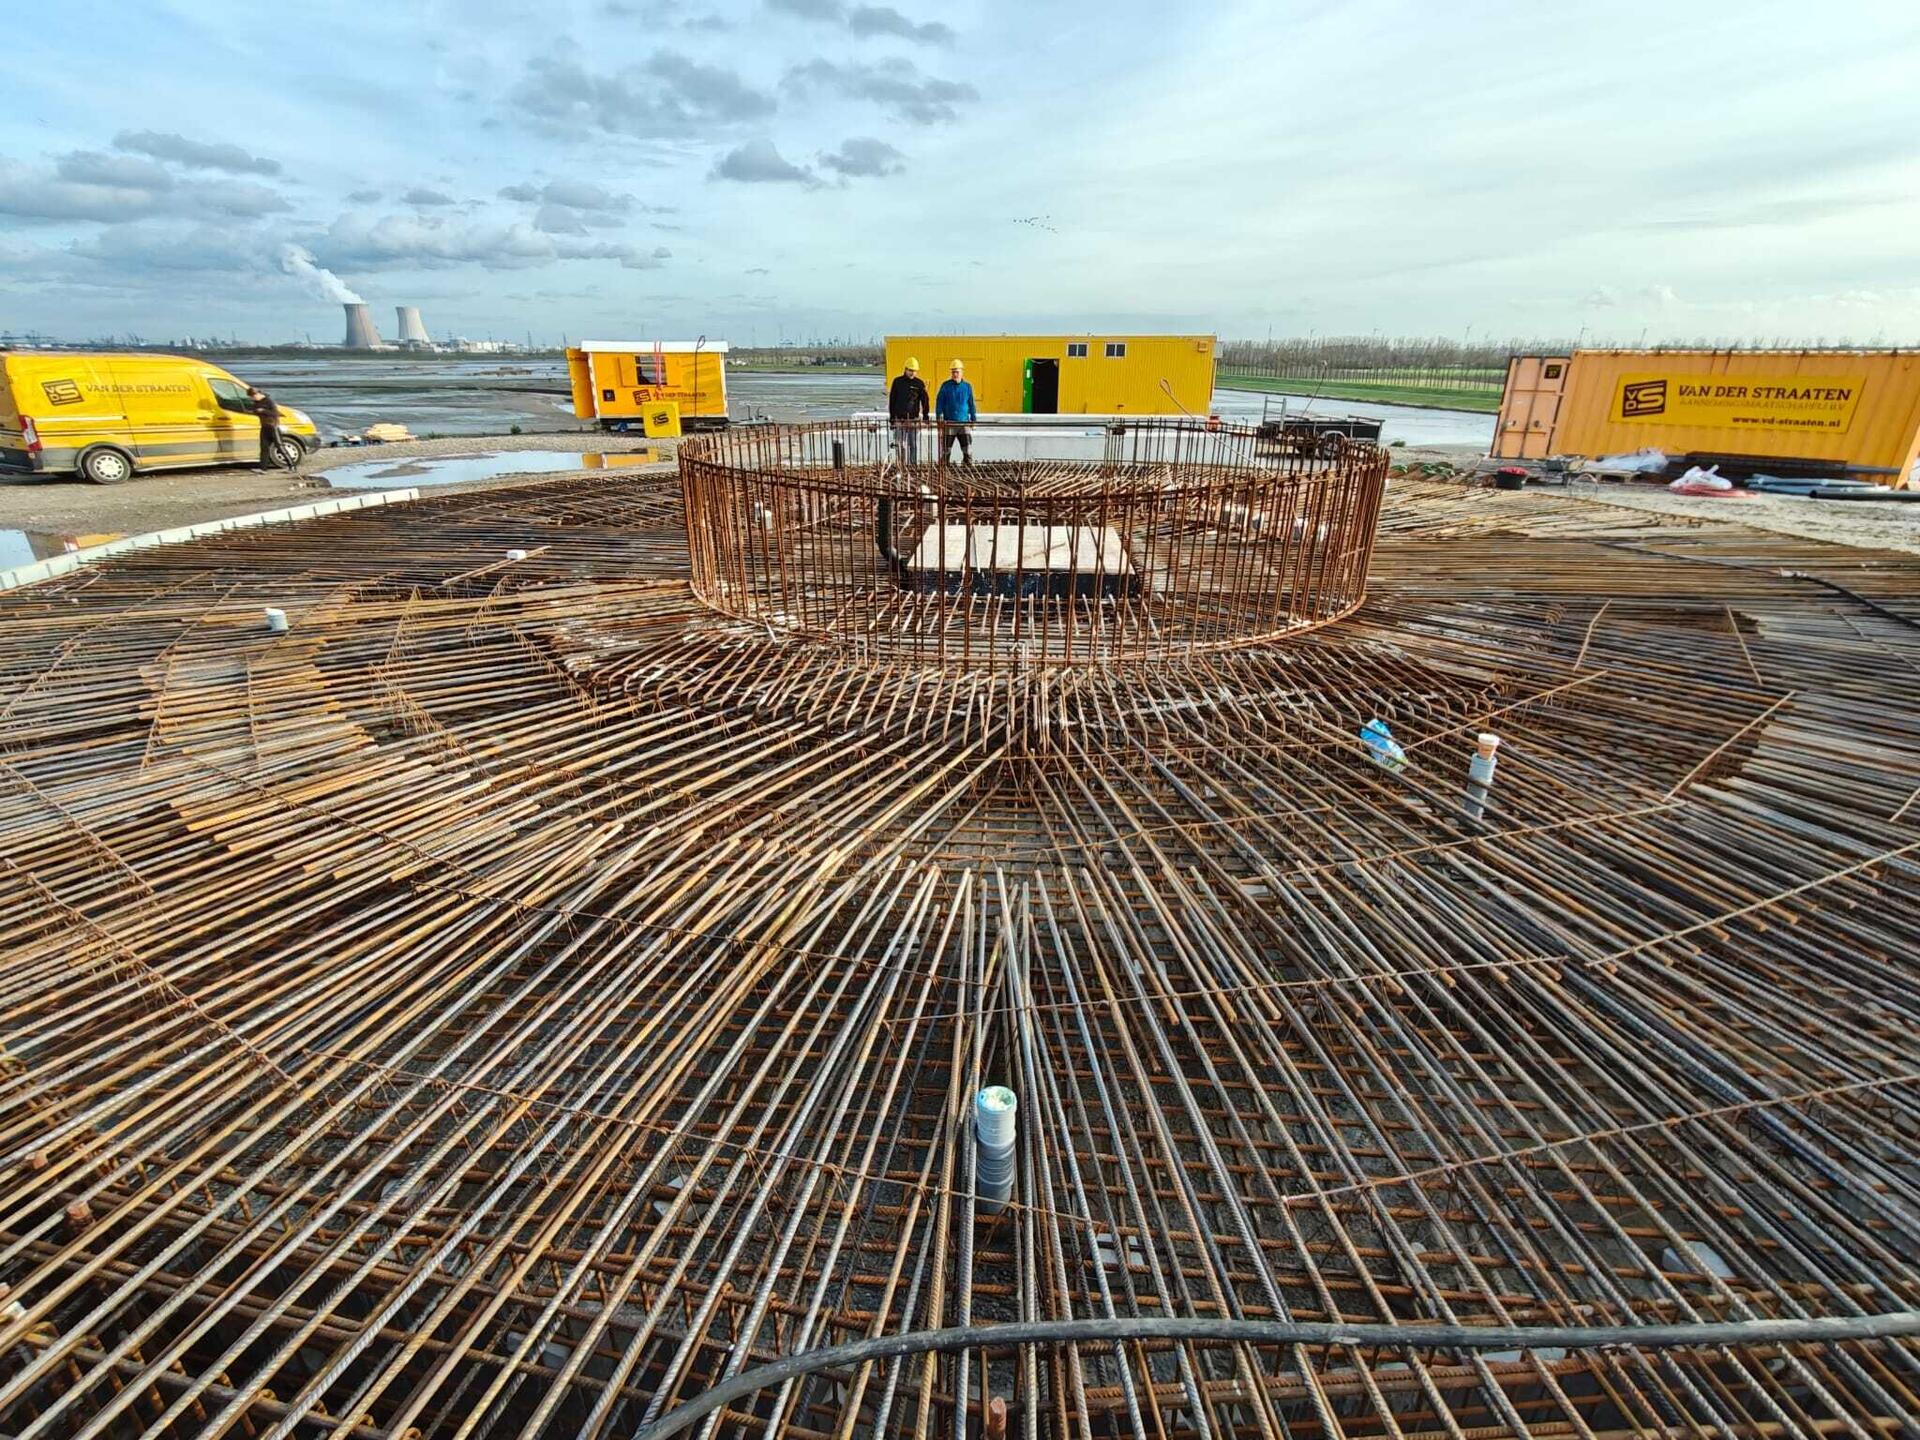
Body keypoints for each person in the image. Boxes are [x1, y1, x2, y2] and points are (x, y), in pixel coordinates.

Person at [887, 355, 930, 465]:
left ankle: (913, 464)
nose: (912, 373)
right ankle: (901, 464)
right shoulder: (897, 382)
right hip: (899, 419)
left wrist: (925, 416)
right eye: (910, 370)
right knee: (900, 444)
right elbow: (892, 400)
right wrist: (892, 419)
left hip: (913, 420)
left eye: (915, 371)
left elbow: (925, 401)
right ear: (905, 369)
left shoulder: (919, 384)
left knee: (913, 444)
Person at [935, 359, 978, 467]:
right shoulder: (946, 386)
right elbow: (939, 402)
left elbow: (971, 404)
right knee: (946, 449)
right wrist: (939, 417)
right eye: (953, 372)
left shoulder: (967, 387)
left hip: (963, 423)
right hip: (949, 422)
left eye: (957, 372)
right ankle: (944, 466)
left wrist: (973, 419)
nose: (955, 374)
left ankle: (967, 465)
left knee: (967, 447)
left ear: (961, 372)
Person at [248, 386, 289, 472]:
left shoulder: (269, 401)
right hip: (264, 426)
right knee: (264, 447)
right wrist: (255, 411)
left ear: (258, 394)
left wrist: (263, 411)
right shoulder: (256, 402)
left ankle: (292, 466)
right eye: (251, 397)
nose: (252, 399)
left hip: (273, 426)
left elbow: (275, 413)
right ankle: (263, 468)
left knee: (279, 446)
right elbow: (254, 410)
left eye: (253, 396)